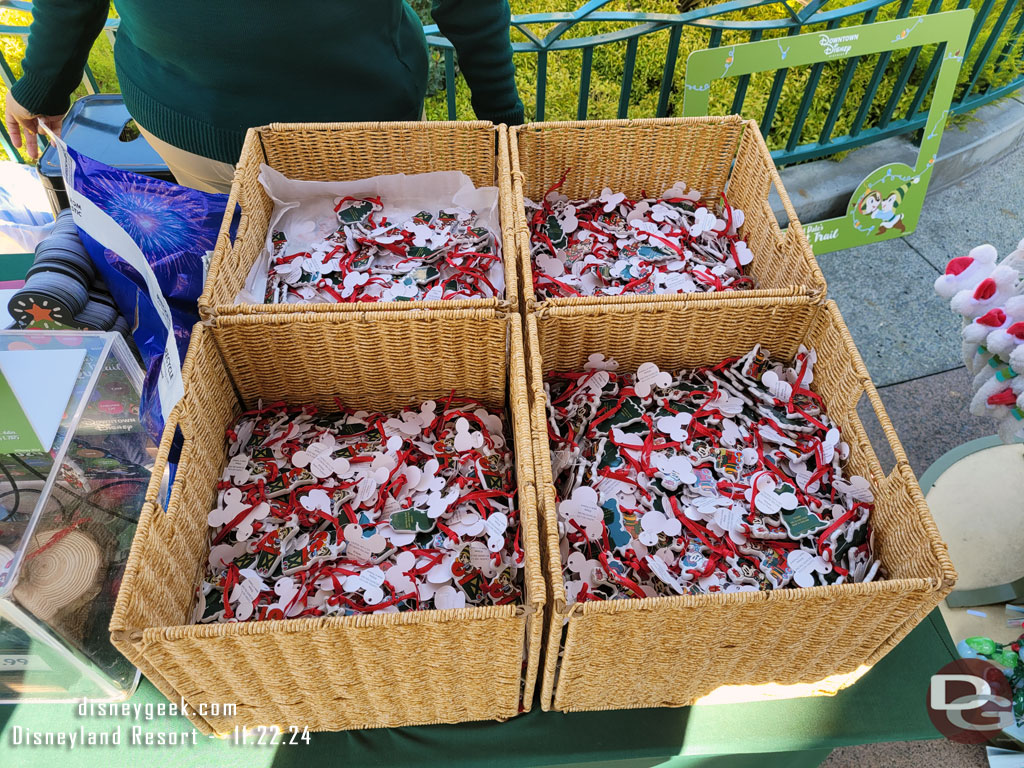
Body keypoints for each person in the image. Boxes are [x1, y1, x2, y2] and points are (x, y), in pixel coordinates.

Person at [4, 1, 524, 193]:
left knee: (347, 258)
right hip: (200, 123)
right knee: (356, 247)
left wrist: (44, 85)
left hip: (351, 127)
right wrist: (501, 114)